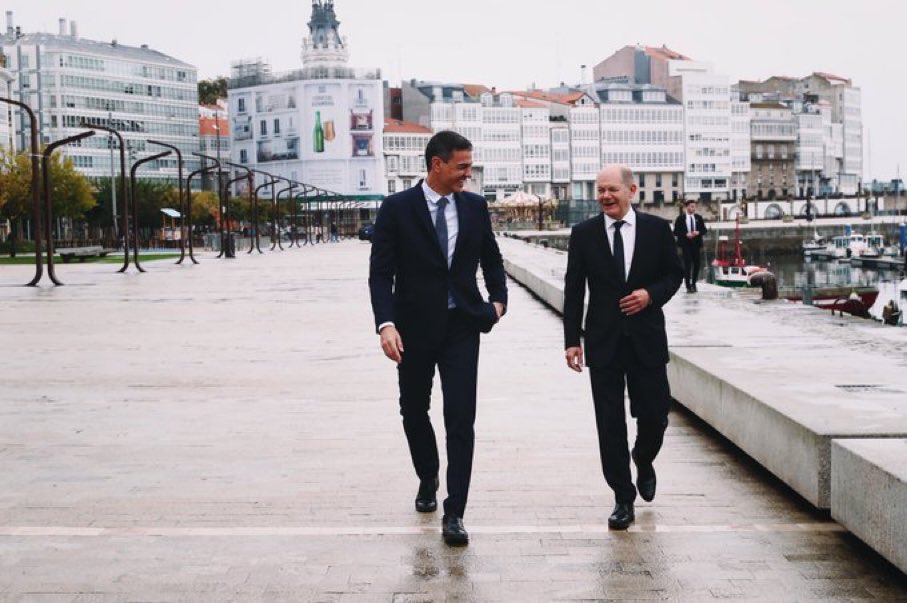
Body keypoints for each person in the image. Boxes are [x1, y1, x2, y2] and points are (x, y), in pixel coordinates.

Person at [368, 130, 508, 546]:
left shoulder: (475, 206)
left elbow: (491, 258)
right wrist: (386, 324)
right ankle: (428, 474)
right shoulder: (397, 209)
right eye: (462, 167)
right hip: (412, 329)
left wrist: (498, 302)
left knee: (461, 417)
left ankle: (455, 512)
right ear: (437, 165)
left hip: (463, 325)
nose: (468, 174)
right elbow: (380, 274)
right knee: (413, 409)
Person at [563, 165, 682, 530]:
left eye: (612, 189)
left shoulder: (657, 230)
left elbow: (674, 275)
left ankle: (643, 459)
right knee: (609, 423)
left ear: (632, 191)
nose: (605, 196)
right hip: (604, 342)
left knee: (655, 415)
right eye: (600, 190)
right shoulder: (584, 234)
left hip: (647, 339)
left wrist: (650, 295)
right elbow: (574, 289)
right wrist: (572, 341)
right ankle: (622, 497)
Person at [673, 199, 708, 292]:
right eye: (692, 206)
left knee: (697, 264)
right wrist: (685, 234)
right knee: (687, 265)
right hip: (686, 244)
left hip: (696, 244)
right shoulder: (680, 218)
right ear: (687, 207)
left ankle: (694, 284)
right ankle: (688, 286)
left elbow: (704, 230)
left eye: (694, 207)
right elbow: (675, 232)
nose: (694, 208)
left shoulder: (698, 217)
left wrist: (698, 232)